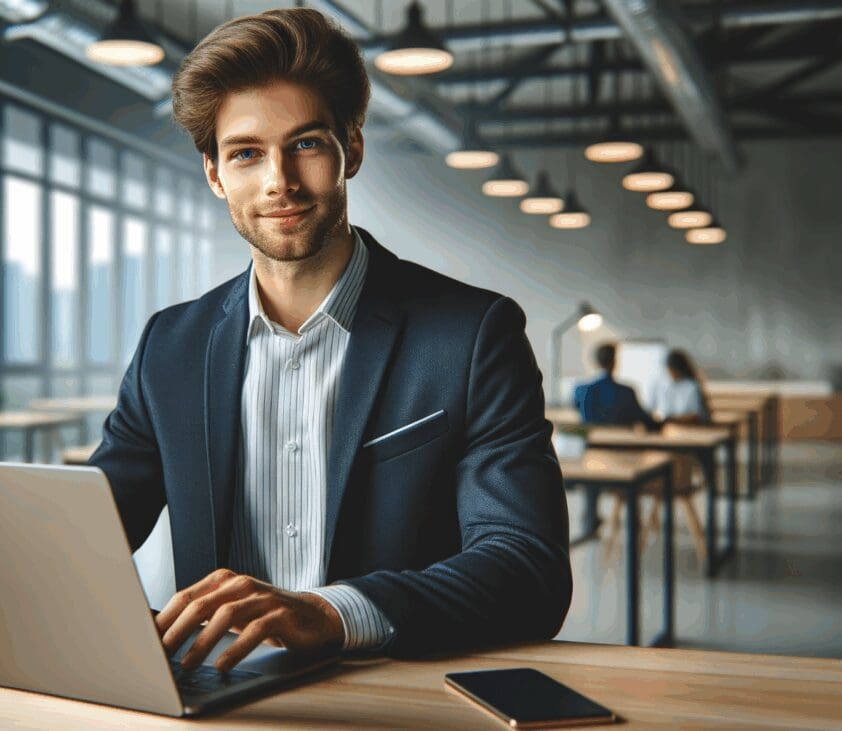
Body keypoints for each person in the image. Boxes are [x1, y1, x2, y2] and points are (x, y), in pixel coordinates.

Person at [87, 8, 570, 674]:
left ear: (353, 147)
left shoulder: (472, 335)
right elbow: (82, 535)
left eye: (306, 143)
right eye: (247, 153)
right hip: (219, 703)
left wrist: (335, 612)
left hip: (392, 697)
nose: (279, 180)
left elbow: (528, 568)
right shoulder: (171, 345)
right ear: (214, 173)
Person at [572, 343, 658, 430]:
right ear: (614, 362)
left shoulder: (580, 390)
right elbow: (646, 421)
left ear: (596, 362)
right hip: (620, 442)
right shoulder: (627, 392)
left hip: (591, 442)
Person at [655, 349, 711, 425]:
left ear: (678, 369)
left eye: (671, 370)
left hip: (691, 428)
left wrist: (674, 419)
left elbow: (696, 415)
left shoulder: (691, 386)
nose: (670, 374)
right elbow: (662, 411)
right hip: (671, 428)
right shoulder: (667, 386)